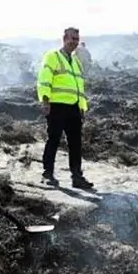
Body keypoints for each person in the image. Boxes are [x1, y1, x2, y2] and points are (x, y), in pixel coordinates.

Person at [37, 27, 93, 189]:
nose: (74, 42)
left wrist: (82, 107)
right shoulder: (52, 56)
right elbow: (44, 80)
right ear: (64, 39)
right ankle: (48, 174)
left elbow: (79, 86)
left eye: (77, 39)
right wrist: (45, 101)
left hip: (74, 107)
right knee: (53, 139)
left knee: (75, 143)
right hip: (57, 106)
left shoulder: (75, 62)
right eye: (72, 38)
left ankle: (77, 177)